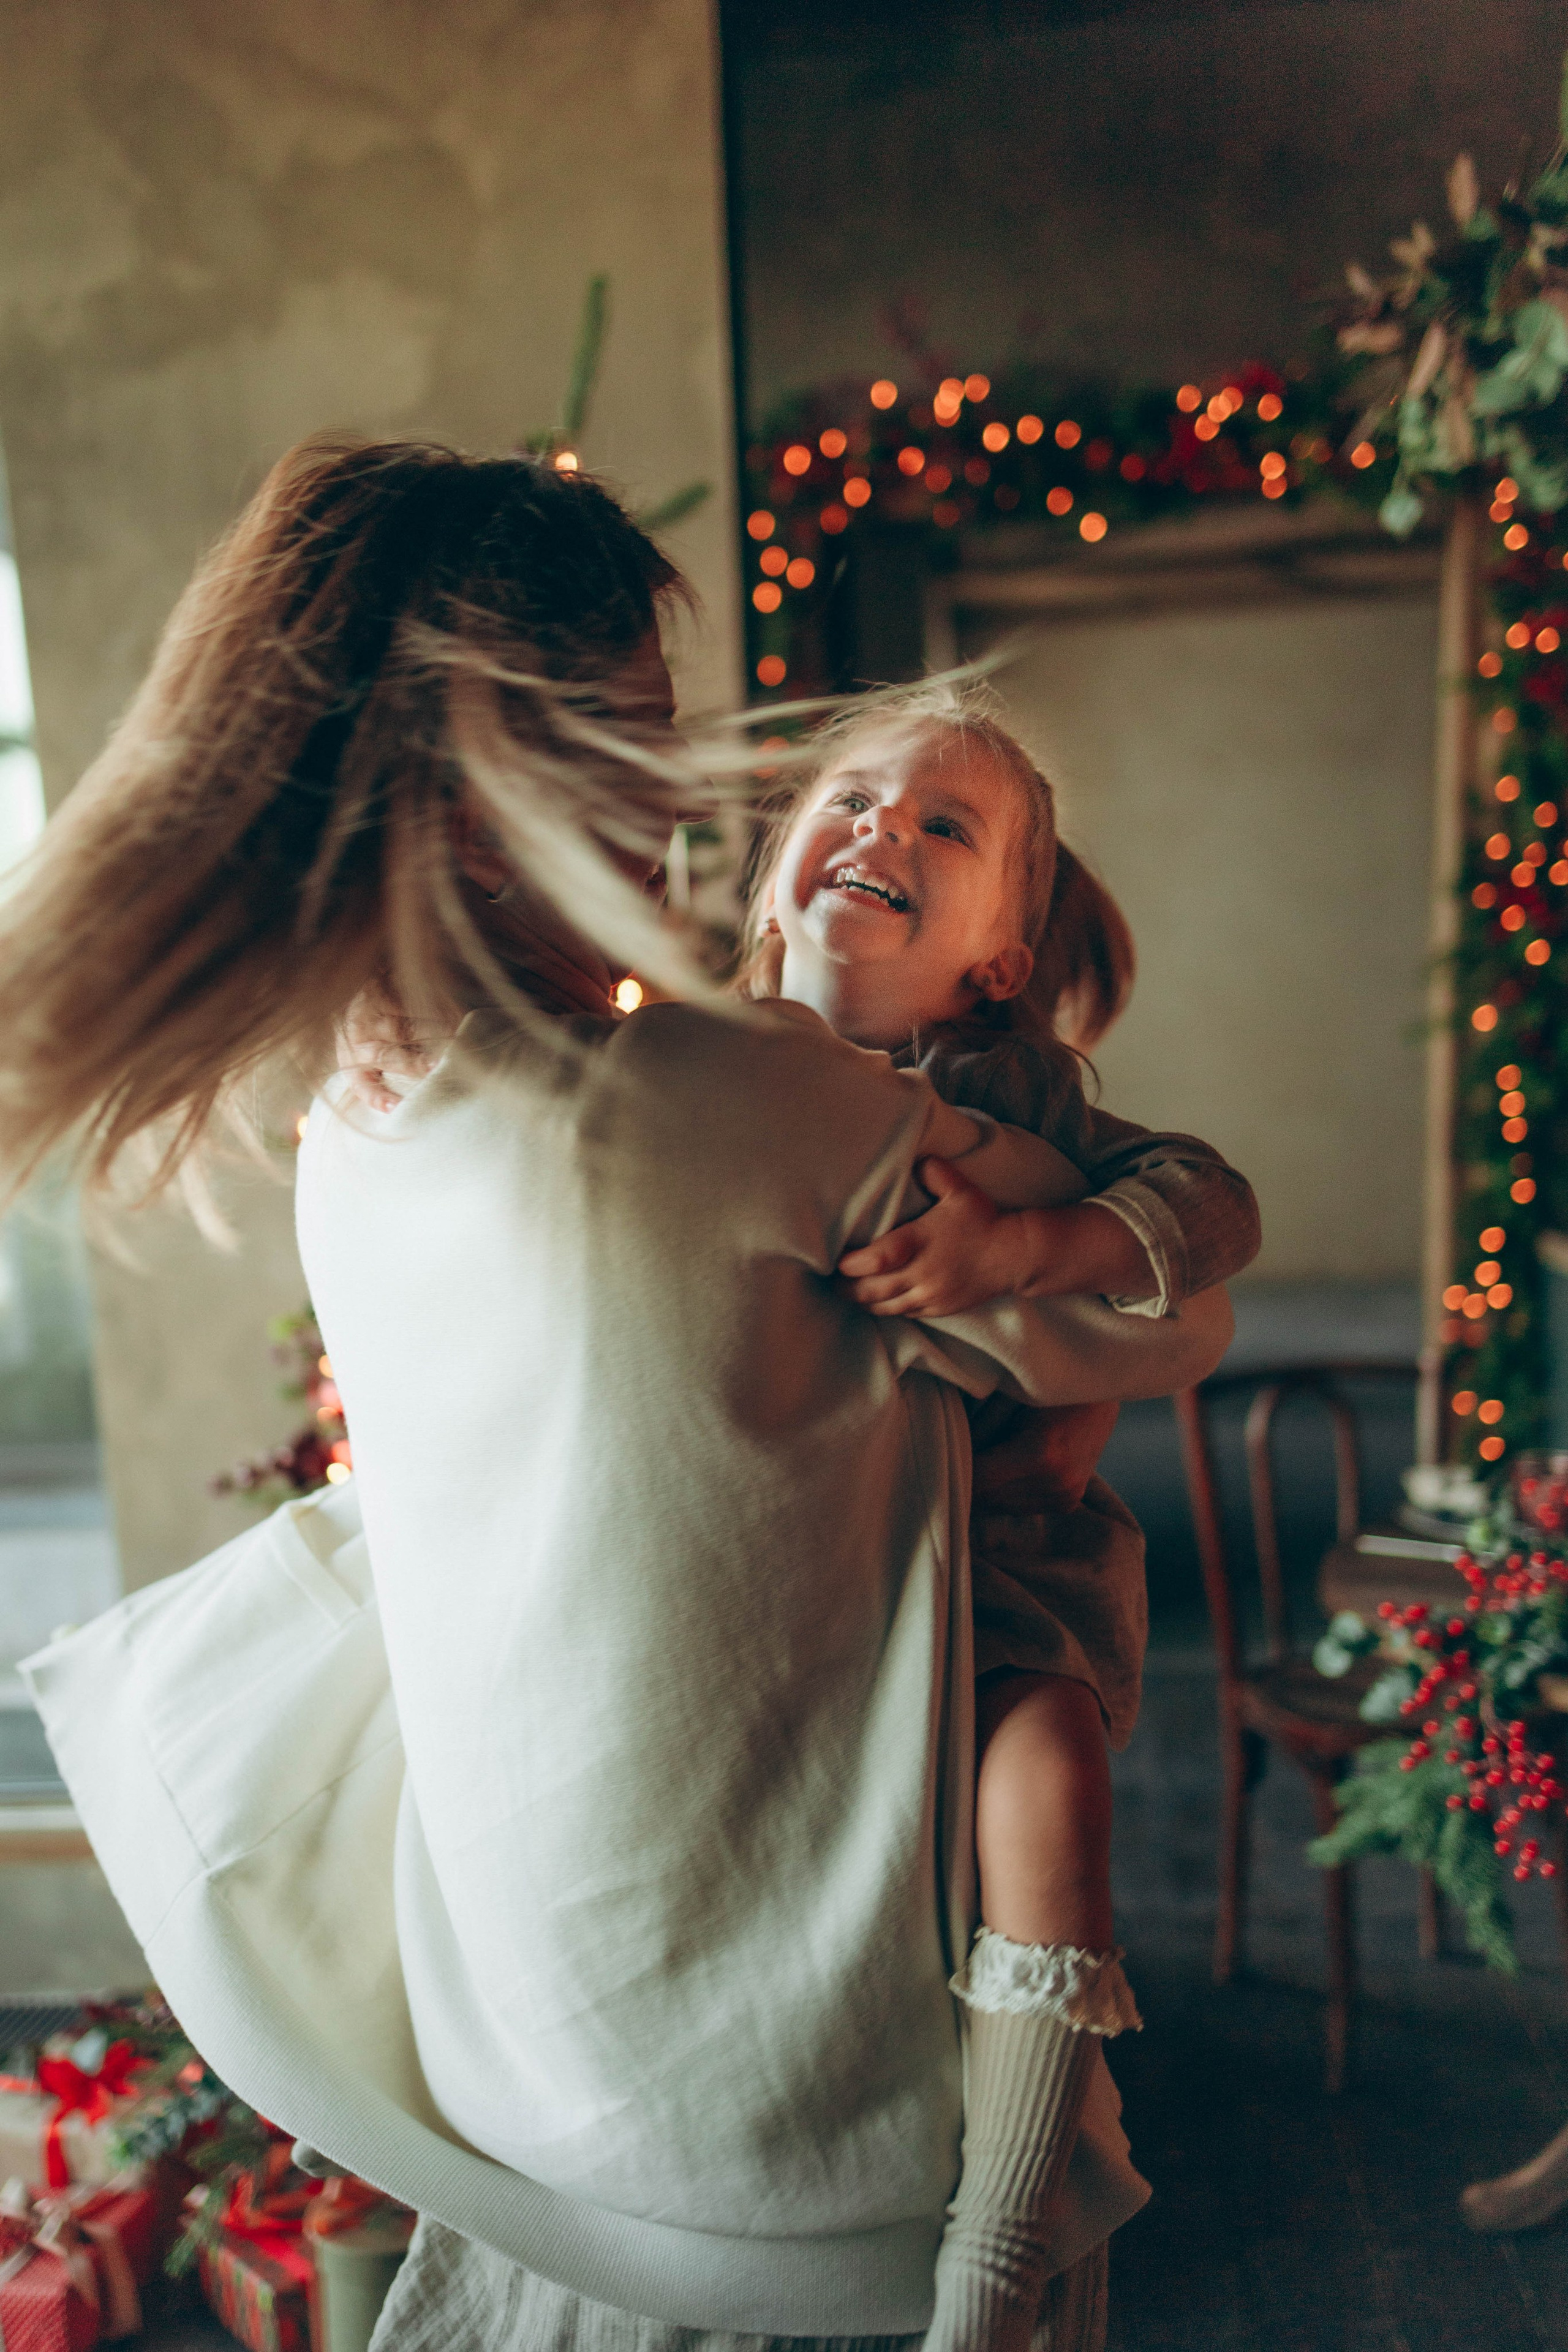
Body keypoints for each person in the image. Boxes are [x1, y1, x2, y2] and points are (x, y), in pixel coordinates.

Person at [4, 437, 1237, 2352]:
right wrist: (1071, 1275)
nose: (689, 791)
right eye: (649, 736)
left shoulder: (351, 1117)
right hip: (815, 2149)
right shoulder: (740, 1108)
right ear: (511, 783)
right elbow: (1166, 1323)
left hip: (532, 2070)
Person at [735, 684, 1258, 2352]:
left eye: (941, 826)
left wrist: (1033, 1251)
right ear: (770, 884)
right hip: (789, 1576)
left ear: (997, 965)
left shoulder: (1018, 1095)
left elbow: (1213, 1204)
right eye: (854, 798)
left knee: (1053, 1777)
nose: (882, 824)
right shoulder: (696, 1065)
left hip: (997, 1571)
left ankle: (1001, 2243)